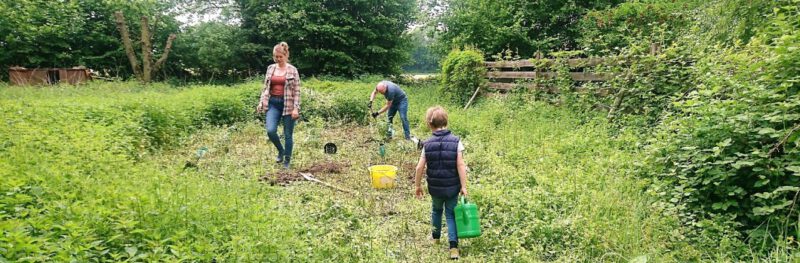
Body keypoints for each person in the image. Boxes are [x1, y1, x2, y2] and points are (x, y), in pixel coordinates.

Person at [414, 106, 468, 260]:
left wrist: (417, 186)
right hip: (452, 188)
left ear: (429, 124)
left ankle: (435, 238)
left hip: (435, 188)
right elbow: (460, 165)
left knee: (436, 211)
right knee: (451, 215)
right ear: (446, 121)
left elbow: (419, 167)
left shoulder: (427, 144)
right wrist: (463, 186)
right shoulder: (456, 141)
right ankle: (453, 248)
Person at [257, 42, 301, 169]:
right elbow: (265, 87)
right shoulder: (271, 68)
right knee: (270, 131)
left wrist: (296, 108)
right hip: (273, 103)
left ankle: (287, 160)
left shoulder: (293, 70)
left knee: (288, 134)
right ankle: (281, 151)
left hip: (288, 104)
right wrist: (261, 102)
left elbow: (297, 91)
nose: (278, 59)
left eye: (280, 56)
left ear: (286, 55)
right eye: (276, 57)